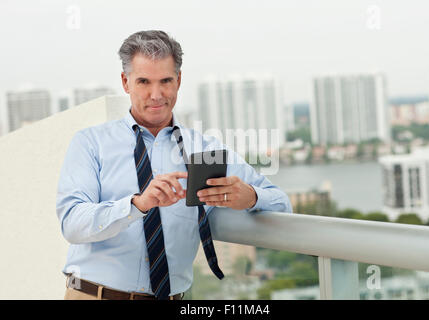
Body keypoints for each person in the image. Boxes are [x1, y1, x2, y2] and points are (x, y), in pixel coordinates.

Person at [56, 30, 292, 300]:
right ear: (125, 82)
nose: (156, 94)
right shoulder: (91, 143)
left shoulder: (205, 150)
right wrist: (137, 205)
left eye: (165, 81)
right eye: (144, 81)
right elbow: (72, 223)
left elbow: (282, 203)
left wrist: (250, 196)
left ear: (178, 81)